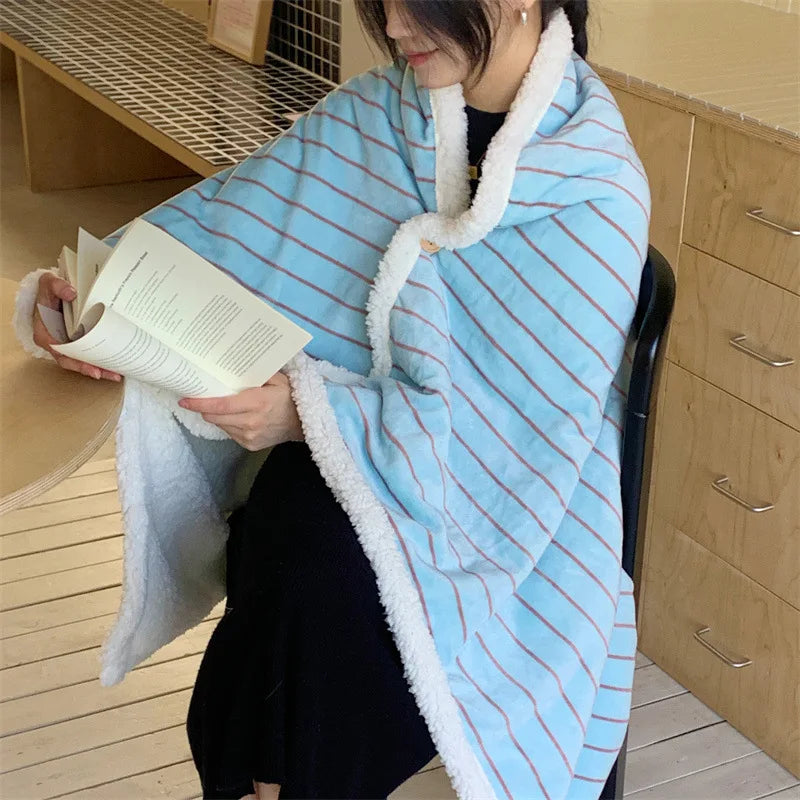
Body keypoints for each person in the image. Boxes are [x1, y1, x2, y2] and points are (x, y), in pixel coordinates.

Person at [16, 0, 650, 798]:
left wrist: (303, 413)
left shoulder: (598, 189)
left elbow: (522, 449)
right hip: (354, 469)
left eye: (417, 2)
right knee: (290, 524)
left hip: (503, 524)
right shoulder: (372, 117)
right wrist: (85, 297)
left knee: (317, 571)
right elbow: (221, 233)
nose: (393, 26)